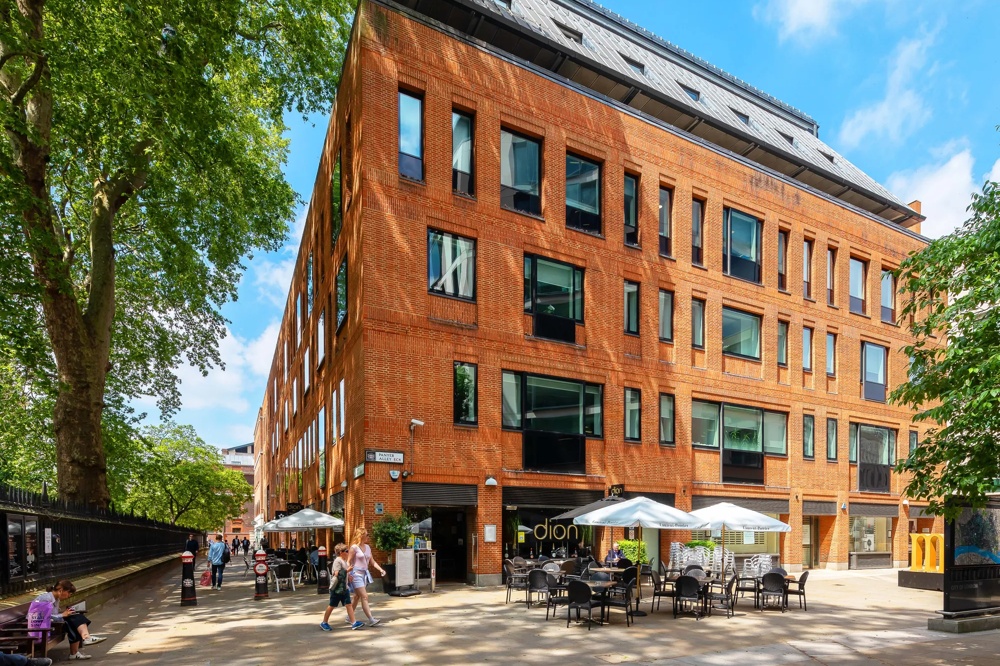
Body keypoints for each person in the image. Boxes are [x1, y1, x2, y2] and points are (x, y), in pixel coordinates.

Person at [35, 579, 106, 660]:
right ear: (61, 590)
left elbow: (52, 615)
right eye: (69, 593)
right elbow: (43, 617)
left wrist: (65, 614)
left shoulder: (55, 598)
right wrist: (63, 615)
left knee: (76, 619)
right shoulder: (45, 599)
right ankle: (85, 639)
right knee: (74, 621)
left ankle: (83, 642)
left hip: (52, 624)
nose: (69, 596)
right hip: (42, 628)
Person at [320, 543, 363, 631]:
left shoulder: (343, 561)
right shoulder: (338, 561)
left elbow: (344, 573)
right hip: (337, 588)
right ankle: (324, 622)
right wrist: (348, 571)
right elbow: (336, 573)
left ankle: (354, 622)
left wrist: (348, 575)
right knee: (332, 605)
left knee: (349, 604)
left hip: (344, 587)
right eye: (346, 551)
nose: (348, 553)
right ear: (341, 552)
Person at [348, 529, 385, 627]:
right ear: (361, 535)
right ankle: (371, 619)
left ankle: (349, 616)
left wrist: (381, 570)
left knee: (357, 596)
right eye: (367, 535)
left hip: (364, 574)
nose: (369, 537)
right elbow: (348, 562)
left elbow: (372, 561)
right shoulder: (354, 548)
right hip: (356, 574)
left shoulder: (368, 547)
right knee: (364, 596)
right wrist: (348, 574)